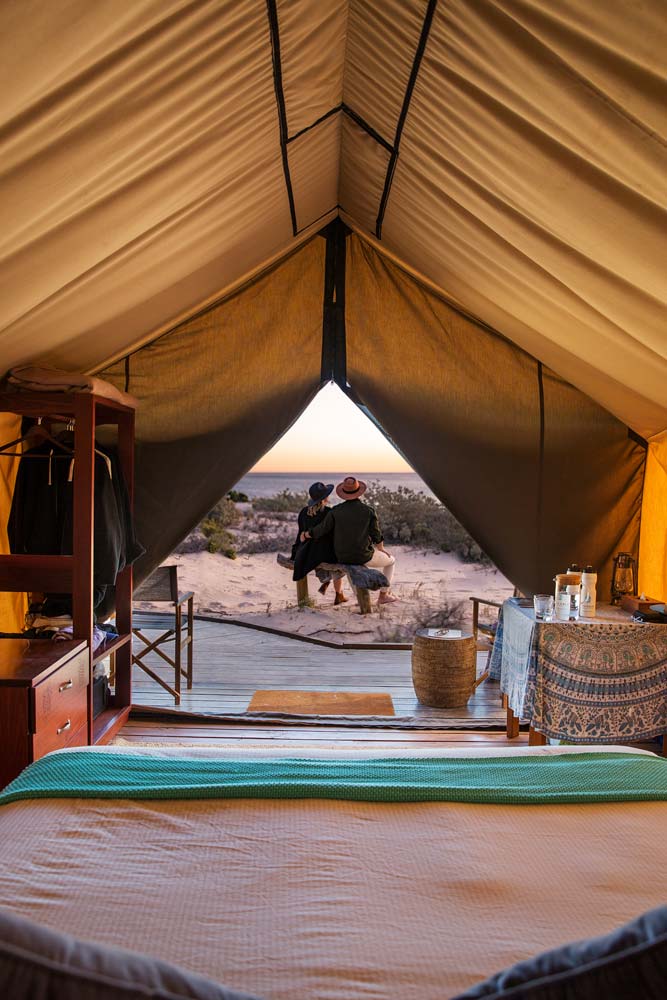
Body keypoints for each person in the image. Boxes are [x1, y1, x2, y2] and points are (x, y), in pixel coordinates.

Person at [303, 476, 397, 605]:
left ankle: (360, 597)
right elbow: (376, 534)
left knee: (350, 563)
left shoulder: (335, 511)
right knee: (391, 561)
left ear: (343, 493)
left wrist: (307, 534)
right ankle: (383, 595)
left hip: (342, 556)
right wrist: (381, 548)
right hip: (363, 555)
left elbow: (321, 529)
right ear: (359, 492)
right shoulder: (368, 511)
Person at [291, 482, 347, 605]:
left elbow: (300, 534)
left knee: (326, 556)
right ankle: (338, 594)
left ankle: (327, 581)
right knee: (339, 564)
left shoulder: (303, 512)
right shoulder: (329, 512)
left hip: (307, 551)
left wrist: (295, 551)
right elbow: (335, 535)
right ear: (324, 498)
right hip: (324, 552)